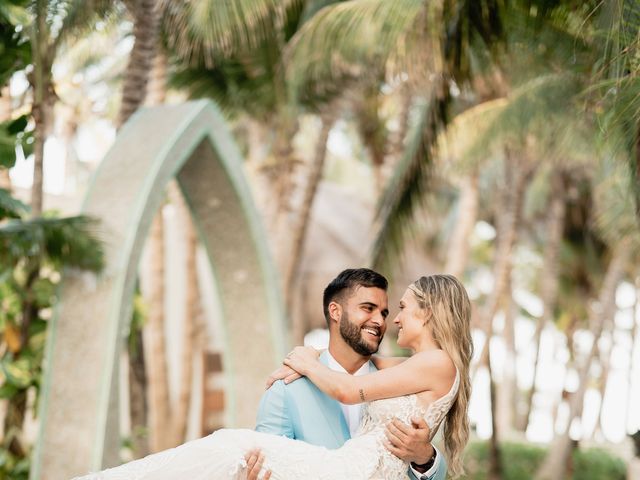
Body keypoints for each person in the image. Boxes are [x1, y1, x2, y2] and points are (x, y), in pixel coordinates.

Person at [73, 272, 473, 480]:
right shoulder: (296, 387)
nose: (390, 319)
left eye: (394, 310)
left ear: (431, 313)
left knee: (225, 443)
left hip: (348, 473)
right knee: (227, 453)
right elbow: (360, 367)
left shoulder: (435, 363)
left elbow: (351, 390)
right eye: (373, 309)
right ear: (335, 313)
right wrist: (307, 356)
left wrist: (425, 459)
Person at [246, 268, 448, 480]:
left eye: (383, 313)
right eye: (368, 308)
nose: (379, 321)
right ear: (335, 311)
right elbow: (265, 462)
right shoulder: (287, 386)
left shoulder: (401, 382)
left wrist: (426, 458)